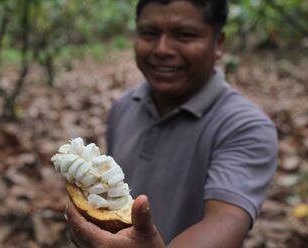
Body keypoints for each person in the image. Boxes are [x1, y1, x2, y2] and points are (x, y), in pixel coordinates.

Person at [65, 0, 278, 247]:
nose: (162, 49)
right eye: (149, 33)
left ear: (218, 43)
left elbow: (226, 218)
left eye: (185, 35)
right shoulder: (123, 107)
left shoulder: (245, 126)